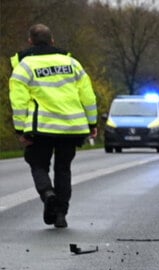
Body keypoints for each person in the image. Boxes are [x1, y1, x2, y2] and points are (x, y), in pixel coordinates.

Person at [9, 24, 98, 229]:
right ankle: (61, 215)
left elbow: (19, 102)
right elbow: (88, 96)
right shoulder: (72, 63)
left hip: (42, 129)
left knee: (37, 163)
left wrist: (20, 129)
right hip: (71, 127)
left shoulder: (24, 67)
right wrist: (92, 122)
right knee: (63, 169)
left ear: (30, 41)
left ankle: (48, 194)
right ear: (53, 41)